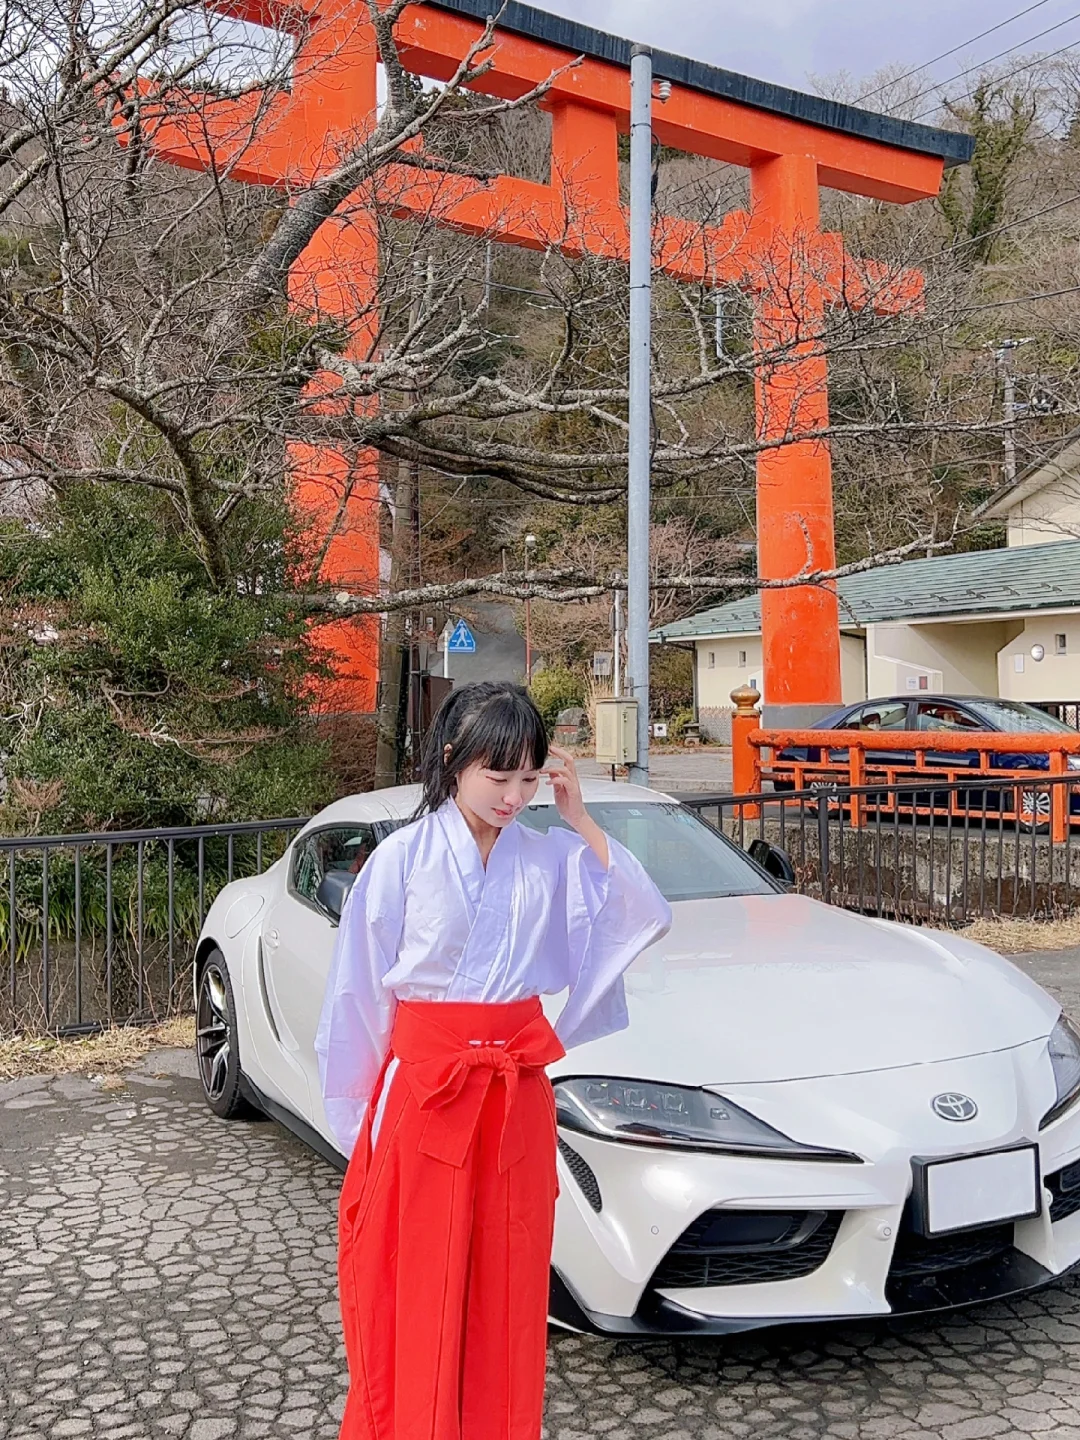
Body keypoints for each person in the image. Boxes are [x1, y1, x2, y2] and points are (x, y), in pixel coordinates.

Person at [315, 681, 671, 1440]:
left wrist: (579, 818)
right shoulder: (402, 858)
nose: (513, 796)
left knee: (506, 1287)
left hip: (513, 1100)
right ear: (453, 763)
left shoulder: (547, 860)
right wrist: (358, 1125)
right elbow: (356, 998)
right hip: (426, 1096)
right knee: (414, 1282)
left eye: (528, 778)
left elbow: (639, 911)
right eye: (496, 776)